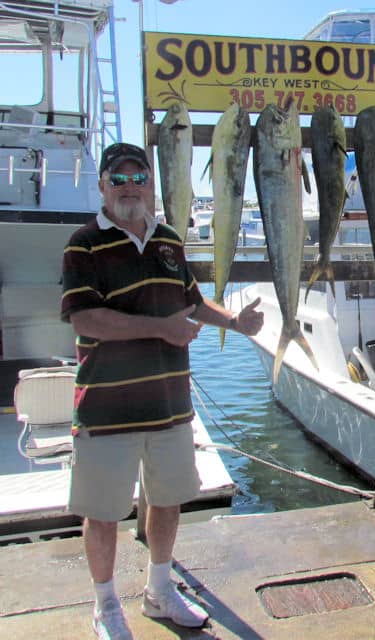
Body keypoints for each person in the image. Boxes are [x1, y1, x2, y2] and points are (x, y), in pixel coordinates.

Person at [61, 142, 264, 639]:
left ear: (152, 183)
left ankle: (159, 589)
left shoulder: (170, 240)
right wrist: (160, 329)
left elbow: (192, 303)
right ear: (104, 186)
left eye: (138, 177)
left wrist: (235, 321)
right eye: (119, 178)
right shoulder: (82, 244)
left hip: (170, 408)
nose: (130, 186)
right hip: (106, 410)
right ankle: (106, 604)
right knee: (103, 514)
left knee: (168, 501)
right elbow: (86, 318)